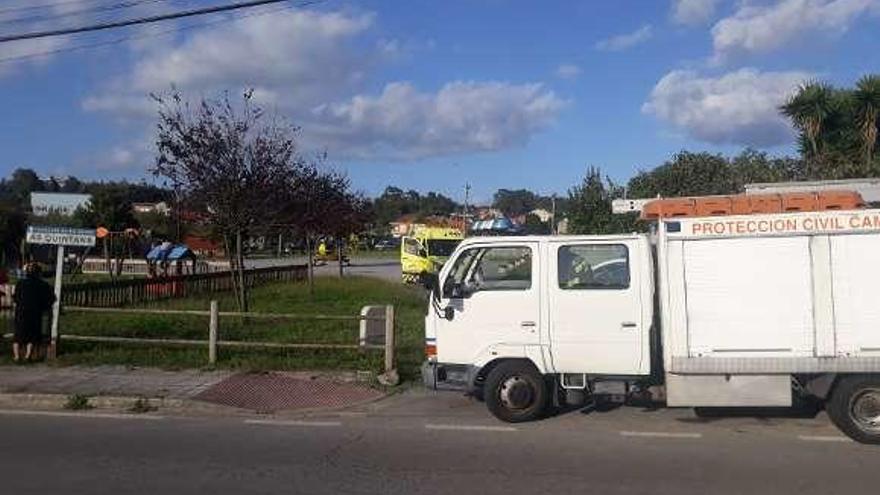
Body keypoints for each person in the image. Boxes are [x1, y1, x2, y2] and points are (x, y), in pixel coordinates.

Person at [12, 263, 56, 363]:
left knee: (18, 334)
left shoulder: (20, 283)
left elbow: (15, 297)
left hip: (21, 311)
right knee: (32, 335)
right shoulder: (43, 285)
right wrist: (45, 306)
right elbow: (50, 299)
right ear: (39, 273)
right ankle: (28, 356)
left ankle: (16, 356)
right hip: (35, 312)